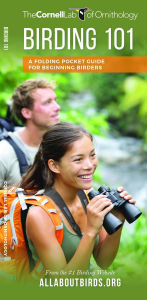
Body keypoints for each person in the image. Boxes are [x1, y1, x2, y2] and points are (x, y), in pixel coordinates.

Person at [20, 122, 135, 274]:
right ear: (54, 166)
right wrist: (90, 231)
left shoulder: (89, 197)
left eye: (92, 155)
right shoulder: (39, 215)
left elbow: (103, 261)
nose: (89, 165)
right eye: (78, 159)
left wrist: (119, 218)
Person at [0, 78, 61, 188]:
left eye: (55, 100)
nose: (57, 107)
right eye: (47, 102)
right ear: (27, 113)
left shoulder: (60, 146)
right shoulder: (4, 153)